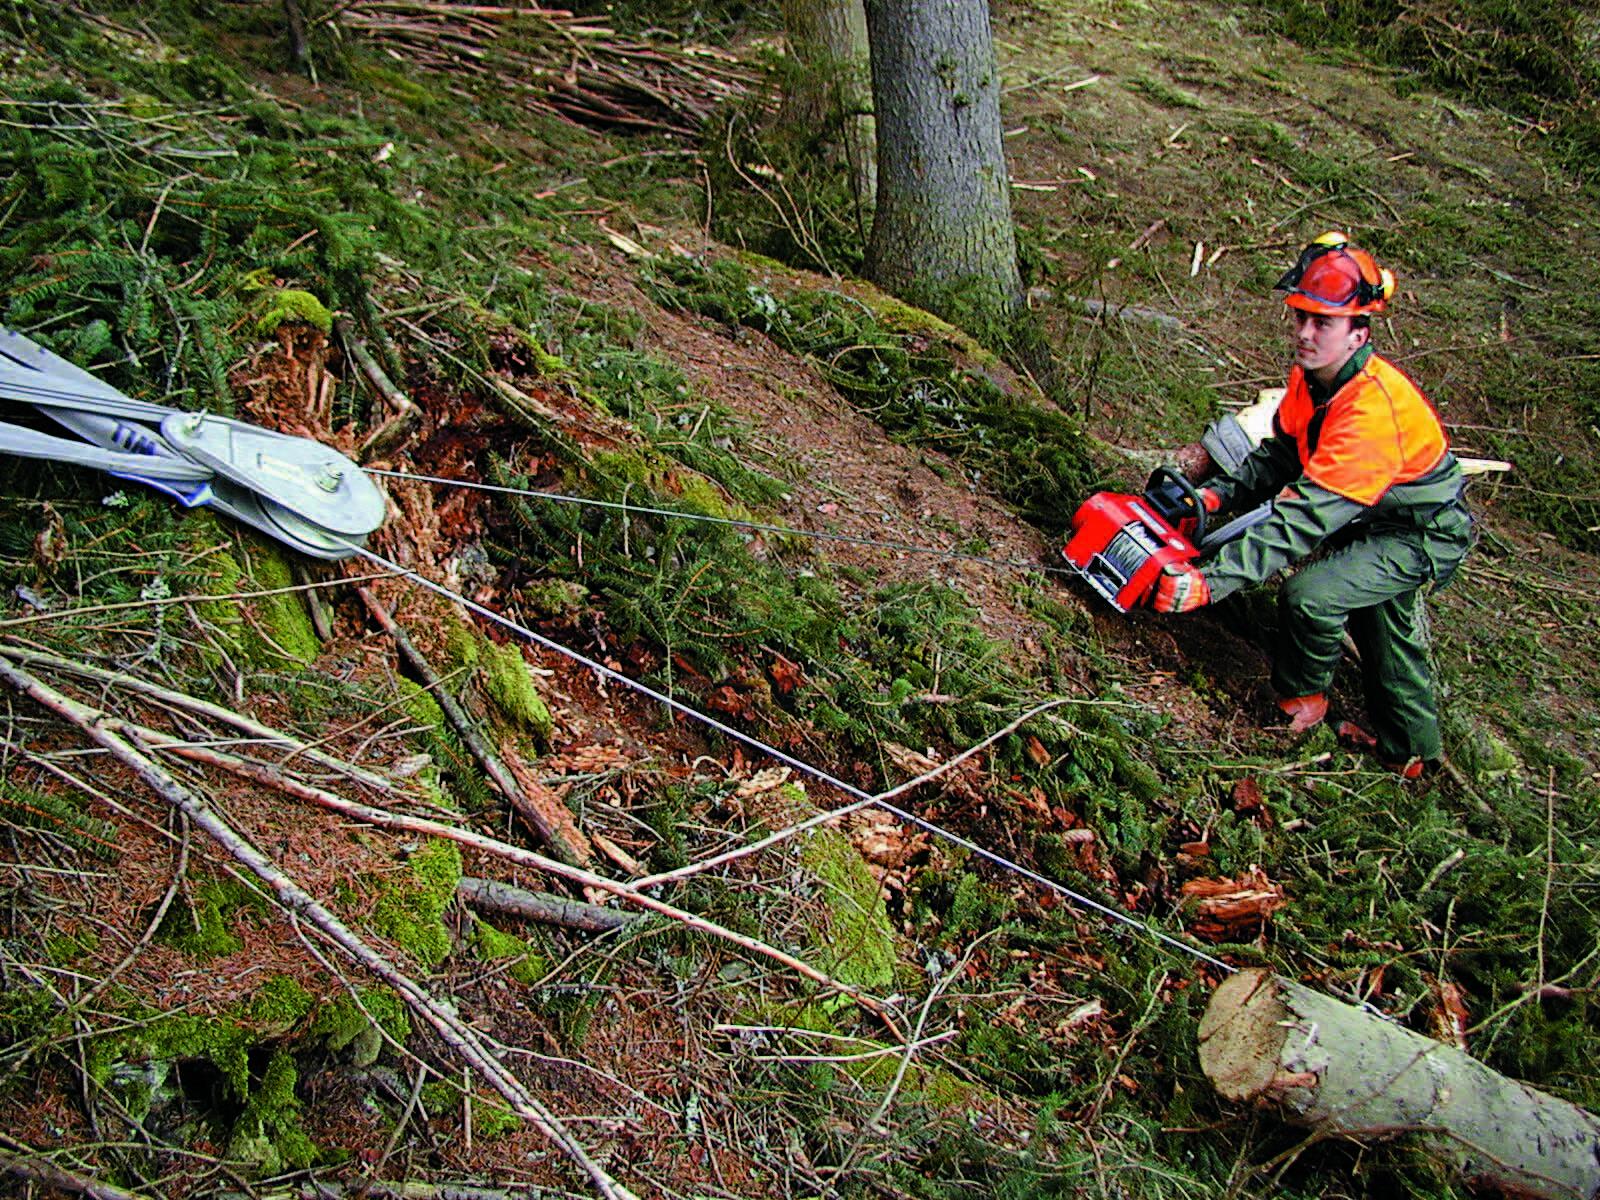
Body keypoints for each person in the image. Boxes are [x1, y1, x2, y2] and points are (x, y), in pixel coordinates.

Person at [1151, 233, 1473, 778]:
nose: (1304, 332)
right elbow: (1281, 455)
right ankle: (1411, 752)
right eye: (1300, 316)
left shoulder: (1372, 413)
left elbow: (1298, 523)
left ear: (1358, 333)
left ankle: (1304, 699)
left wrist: (1210, 581)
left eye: (1323, 322)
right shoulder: (1313, 378)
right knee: (1387, 630)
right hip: (1367, 512)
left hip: (1417, 532)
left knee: (1312, 596)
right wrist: (1214, 497)